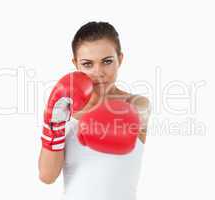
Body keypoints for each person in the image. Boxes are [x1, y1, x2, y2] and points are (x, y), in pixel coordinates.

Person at [38, 21, 151, 200]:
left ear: (120, 59)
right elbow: (47, 176)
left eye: (107, 61)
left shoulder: (137, 104)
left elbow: (130, 121)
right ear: (76, 64)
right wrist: (54, 124)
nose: (98, 72)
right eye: (88, 64)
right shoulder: (63, 110)